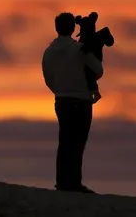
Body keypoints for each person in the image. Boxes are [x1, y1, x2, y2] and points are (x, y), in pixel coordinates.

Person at [42, 12, 104, 193]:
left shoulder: (48, 52)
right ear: (73, 28)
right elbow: (98, 70)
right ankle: (74, 183)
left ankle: (62, 182)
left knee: (64, 141)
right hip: (81, 100)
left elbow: (48, 78)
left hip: (61, 100)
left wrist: (61, 91)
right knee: (77, 143)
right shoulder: (79, 49)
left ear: (56, 28)